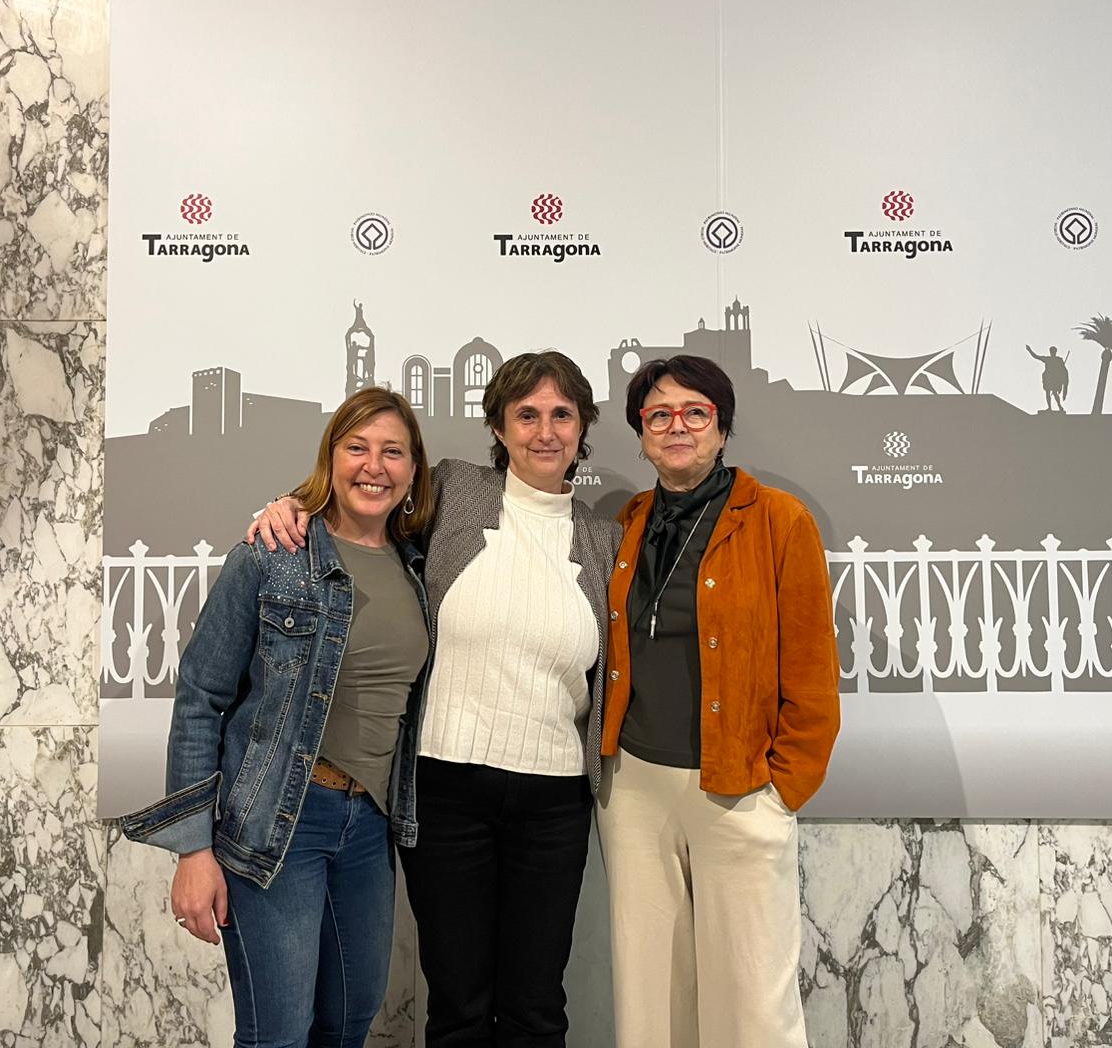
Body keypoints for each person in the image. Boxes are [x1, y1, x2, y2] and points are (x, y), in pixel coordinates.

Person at [249, 351, 620, 1048]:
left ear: (582, 427)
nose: (545, 431)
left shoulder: (605, 540)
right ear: (500, 428)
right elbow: (362, 506)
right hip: (445, 793)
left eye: (561, 415)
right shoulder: (454, 490)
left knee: (537, 1007)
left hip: (554, 802)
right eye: (526, 415)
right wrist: (292, 504)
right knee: (457, 1004)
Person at [121, 386, 436, 1048]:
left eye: (393, 452)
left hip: (369, 827)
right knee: (279, 1035)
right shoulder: (273, 554)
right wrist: (193, 850)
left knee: (349, 1024)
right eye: (357, 447)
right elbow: (201, 696)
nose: (374, 466)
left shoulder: (418, 568)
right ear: (331, 458)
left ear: (413, 472)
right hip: (280, 825)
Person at [597, 354, 840, 1048]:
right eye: (659, 415)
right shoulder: (630, 521)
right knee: (650, 997)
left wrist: (781, 789)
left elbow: (813, 671)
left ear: (722, 428)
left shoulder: (780, 521)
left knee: (752, 1002)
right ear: (641, 433)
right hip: (632, 789)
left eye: (695, 412)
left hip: (739, 787)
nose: (678, 426)